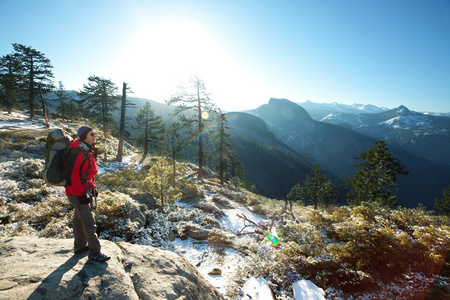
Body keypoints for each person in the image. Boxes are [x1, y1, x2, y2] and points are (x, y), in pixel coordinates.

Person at [64, 126, 110, 262]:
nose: (95, 136)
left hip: (83, 188)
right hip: (77, 191)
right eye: (92, 134)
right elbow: (72, 176)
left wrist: (92, 187)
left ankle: (79, 247)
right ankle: (95, 252)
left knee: (78, 219)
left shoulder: (85, 149)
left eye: (95, 133)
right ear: (84, 137)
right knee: (89, 222)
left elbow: (85, 173)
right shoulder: (78, 152)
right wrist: (81, 194)